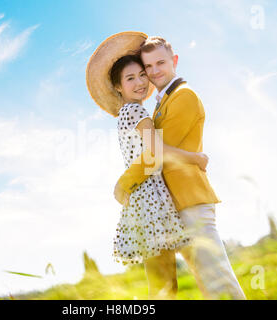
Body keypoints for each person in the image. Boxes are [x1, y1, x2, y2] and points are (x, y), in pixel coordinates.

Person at [113, 36, 247, 300]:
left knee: (218, 284)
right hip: (174, 207)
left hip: (190, 202)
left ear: (174, 62)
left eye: (159, 63)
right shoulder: (160, 104)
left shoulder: (183, 96)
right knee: (203, 287)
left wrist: (123, 183)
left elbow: (156, 155)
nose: (153, 72)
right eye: (148, 67)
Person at [86, 32, 208, 299]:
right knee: (166, 286)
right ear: (118, 87)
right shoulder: (138, 112)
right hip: (151, 200)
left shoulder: (125, 114)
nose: (141, 82)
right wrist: (196, 158)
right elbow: (156, 152)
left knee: (161, 283)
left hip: (144, 200)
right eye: (130, 79)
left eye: (142, 75)